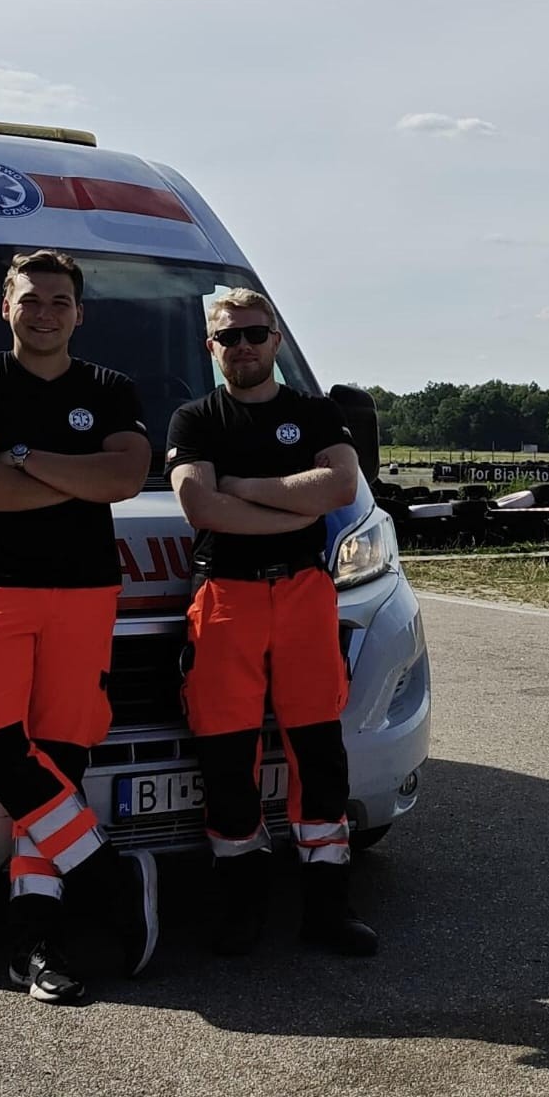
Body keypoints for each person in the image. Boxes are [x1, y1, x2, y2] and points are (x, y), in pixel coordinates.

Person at [0, 249, 159, 1004]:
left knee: (57, 769)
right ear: (6, 306)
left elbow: (124, 477)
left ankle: (36, 945)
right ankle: (108, 877)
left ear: (79, 314)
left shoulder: (110, 389)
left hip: (85, 592)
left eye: (60, 301)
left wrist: (25, 457)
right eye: (31, 299)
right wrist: (76, 478)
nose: (45, 313)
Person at [166, 288, 379, 957]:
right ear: (211, 347)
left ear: (276, 340)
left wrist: (244, 488)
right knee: (228, 761)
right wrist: (293, 504)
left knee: (320, 756)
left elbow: (340, 488)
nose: (244, 347)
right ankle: (242, 911)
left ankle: (328, 910)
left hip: (303, 594)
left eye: (255, 334)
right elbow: (199, 507)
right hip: (226, 598)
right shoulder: (195, 418)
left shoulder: (314, 413)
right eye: (229, 337)